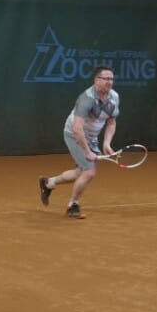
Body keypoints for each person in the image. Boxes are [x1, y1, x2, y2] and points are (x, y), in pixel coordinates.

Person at [39, 65, 119, 219]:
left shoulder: (114, 97)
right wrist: (87, 152)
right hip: (74, 134)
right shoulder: (86, 99)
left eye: (111, 79)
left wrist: (106, 143)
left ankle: (48, 183)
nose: (109, 82)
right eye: (106, 79)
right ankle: (73, 205)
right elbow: (77, 128)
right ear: (96, 80)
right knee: (89, 172)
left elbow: (111, 122)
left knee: (79, 173)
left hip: (91, 137)